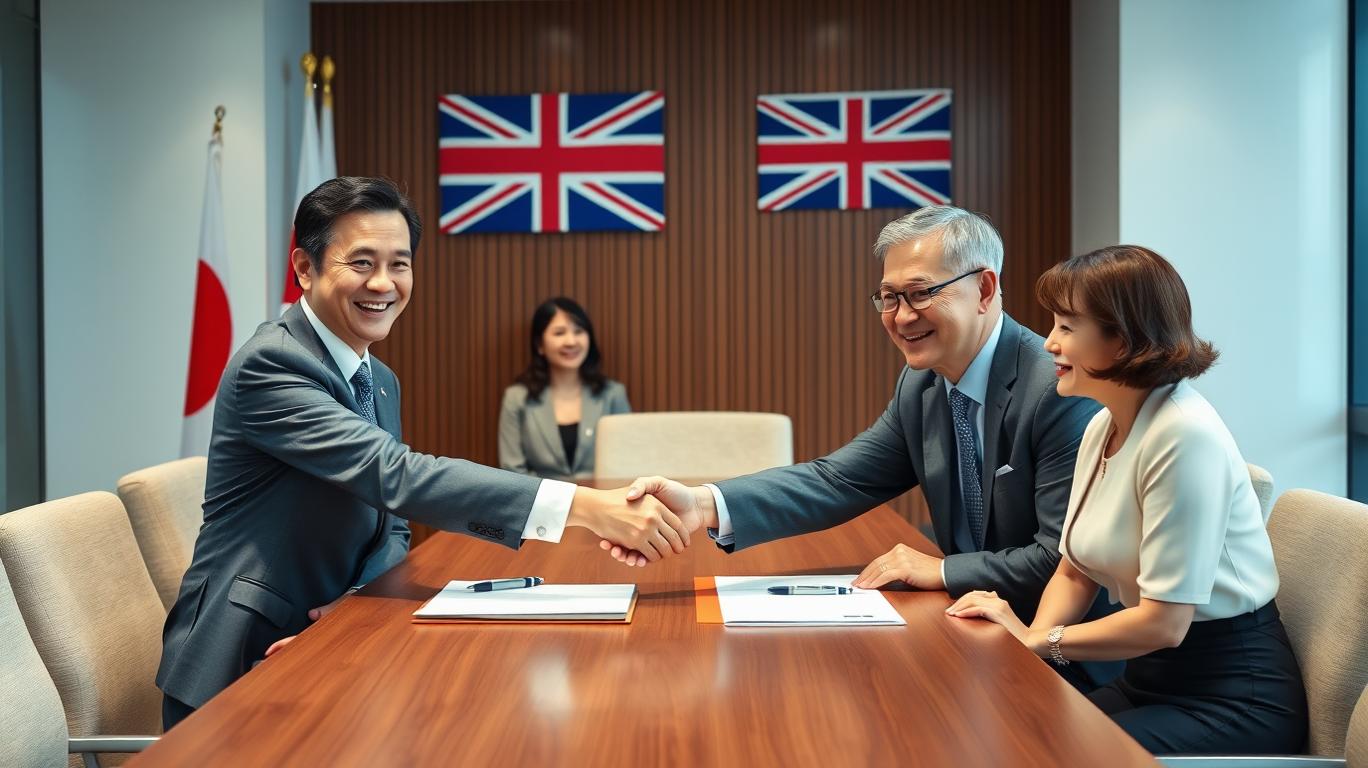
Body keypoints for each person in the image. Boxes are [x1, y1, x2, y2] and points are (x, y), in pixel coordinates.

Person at [157, 177, 690, 729]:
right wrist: (588, 507)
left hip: (335, 642)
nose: (383, 283)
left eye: (400, 264)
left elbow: (391, 523)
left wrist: (355, 604)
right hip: (248, 658)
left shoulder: (379, 380)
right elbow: (396, 475)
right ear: (304, 268)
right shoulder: (271, 365)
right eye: (361, 263)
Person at [616, 205, 1119, 690]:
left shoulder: (1057, 388)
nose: (901, 317)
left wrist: (942, 569)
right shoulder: (922, 384)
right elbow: (840, 479)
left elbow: (1062, 559)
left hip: (1058, 658)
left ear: (984, 289)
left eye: (920, 294)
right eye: (889, 297)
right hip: (967, 632)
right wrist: (701, 503)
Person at [945, 245, 1306, 754]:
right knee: (1014, 731)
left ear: (1123, 340)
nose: (1049, 342)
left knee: (1045, 752)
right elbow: (1075, 572)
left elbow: (1165, 622)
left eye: (1067, 327)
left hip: (1232, 697)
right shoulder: (1102, 425)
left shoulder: (1183, 435)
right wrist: (1033, 649)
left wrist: (1038, 640)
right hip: (1149, 679)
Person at [500, 297, 630, 480]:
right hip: (541, 497)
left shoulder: (612, 394)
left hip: (603, 496)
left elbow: (627, 461)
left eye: (579, 331)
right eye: (559, 333)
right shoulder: (516, 398)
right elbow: (512, 470)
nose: (571, 341)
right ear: (539, 345)